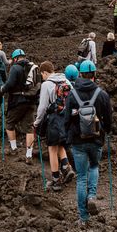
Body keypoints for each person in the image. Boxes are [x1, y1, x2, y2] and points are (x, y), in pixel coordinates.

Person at [64, 59, 112, 227]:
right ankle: (92, 196)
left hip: (78, 141)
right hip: (97, 139)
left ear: (81, 74)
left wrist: (68, 135)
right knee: (94, 166)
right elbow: (109, 118)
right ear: (94, 75)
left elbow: (66, 119)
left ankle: (83, 218)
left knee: (81, 177)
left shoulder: (72, 94)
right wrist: (107, 130)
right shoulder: (102, 94)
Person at [34, 61, 75, 191]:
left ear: (45, 72)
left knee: (52, 148)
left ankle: (56, 180)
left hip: (54, 119)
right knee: (61, 144)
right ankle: (66, 168)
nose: (43, 77)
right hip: (67, 119)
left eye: (42, 74)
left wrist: (37, 122)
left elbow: (42, 107)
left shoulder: (46, 84)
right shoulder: (66, 81)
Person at [0, 48, 40, 164]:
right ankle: (28, 155)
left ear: (16, 58)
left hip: (17, 101)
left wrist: (3, 89)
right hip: (31, 101)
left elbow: (10, 83)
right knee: (29, 128)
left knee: (9, 123)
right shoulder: (32, 67)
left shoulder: (15, 68)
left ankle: (14, 149)